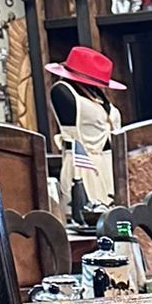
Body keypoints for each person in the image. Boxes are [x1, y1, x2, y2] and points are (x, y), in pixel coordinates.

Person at [45, 44, 125, 216]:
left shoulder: (97, 93)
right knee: (90, 217)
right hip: (84, 163)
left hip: (110, 164)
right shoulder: (62, 91)